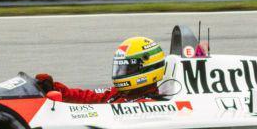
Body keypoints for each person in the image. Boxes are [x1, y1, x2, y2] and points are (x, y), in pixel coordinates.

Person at [36, 37, 166, 104]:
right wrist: (56, 89)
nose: (122, 73)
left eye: (128, 68)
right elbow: (87, 97)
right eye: (120, 68)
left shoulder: (149, 105)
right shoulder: (119, 94)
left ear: (148, 69)